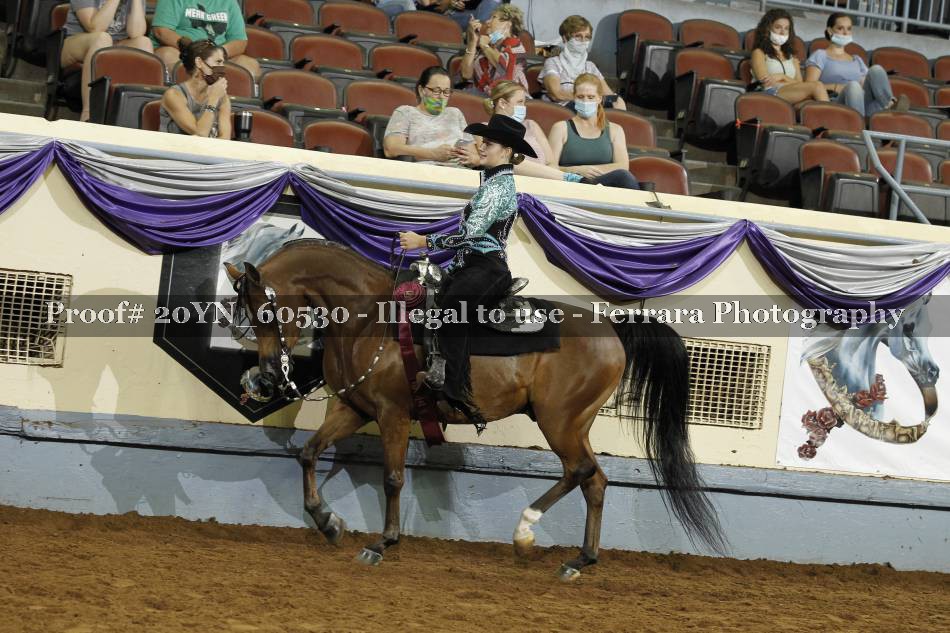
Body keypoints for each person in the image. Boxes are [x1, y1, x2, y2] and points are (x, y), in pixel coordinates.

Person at [397, 114, 536, 429]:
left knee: (452, 310)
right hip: (472, 265)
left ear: (507, 150)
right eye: (483, 141)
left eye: (489, 143)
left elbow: (470, 236)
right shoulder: (492, 181)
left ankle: (453, 390)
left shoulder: (498, 188)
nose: (482, 146)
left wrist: (423, 241)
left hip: (486, 266)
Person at [62, 0, 152, 122]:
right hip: (77, 42)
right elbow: (95, 27)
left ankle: (134, 114)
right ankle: (89, 113)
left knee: (144, 43)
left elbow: (136, 32)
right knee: (102, 39)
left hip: (114, 44)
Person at [804, 13, 909, 116]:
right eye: (840, 28)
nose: (845, 33)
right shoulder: (820, 55)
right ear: (830, 30)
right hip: (837, 103)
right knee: (853, 86)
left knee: (876, 69)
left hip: (863, 103)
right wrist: (836, 87)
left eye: (849, 29)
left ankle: (889, 104)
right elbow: (809, 87)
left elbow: (866, 83)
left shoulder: (857, 59)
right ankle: (858, 122)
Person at [547, 73, 640, 189]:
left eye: (590, 97)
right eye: (580, 97)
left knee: (623, 176)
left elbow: (623, 166)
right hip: (571, 184)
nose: (585, 101)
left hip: (604, 186)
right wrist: (577, 170)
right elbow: (550, 167)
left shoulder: (615, 130)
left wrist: (590, 171)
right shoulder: (561, 128)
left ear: (599, 98)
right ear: (574, 98)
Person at [383, 66, 472, 166]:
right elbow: (391, 149)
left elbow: (474, 154)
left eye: (446, 92)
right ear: (421, 90)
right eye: (436, 91)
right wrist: (433, 154)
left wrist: (472, 159)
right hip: (426, 170)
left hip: (460, 170)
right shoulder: (406, 112)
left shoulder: (455, 113)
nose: (441, 97)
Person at [150, 0, 260, 79]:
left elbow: (240, 41)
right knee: (168, 55)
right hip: (182, 51)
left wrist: (217, 53)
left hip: (218, 55)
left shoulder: (230, 2)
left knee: (250, 65)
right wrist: (193, 48)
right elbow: (161, 31)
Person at [539, 15, 626, 110]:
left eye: (587, 37)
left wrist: (615, 99)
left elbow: (608, 94)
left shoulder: (590, 66)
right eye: (578, 36)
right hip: (562, 110)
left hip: (589, 108)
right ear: (565, 38)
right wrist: (588, 98)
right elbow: (556, 94)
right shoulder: (553, 63)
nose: (583, 41)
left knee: (617, 101)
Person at [750, 9, 828, 106]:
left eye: (786, 28)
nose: (782, 32)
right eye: (778, 27)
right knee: (817, 86)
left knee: (809, 105)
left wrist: (782, 77)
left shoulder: (791, 57)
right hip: (767, 93)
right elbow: (765, 82)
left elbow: (800, 84)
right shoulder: (759, 52)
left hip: (789, 94)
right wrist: (790, 82)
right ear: (767, 29)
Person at [159, 39, 231, 138]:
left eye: (223, 62)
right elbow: (200, 134)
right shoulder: (174, 95)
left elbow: (225, 138)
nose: (222, 67)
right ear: (199, 62)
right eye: (218, 62)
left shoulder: (222, 97)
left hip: (209, 148)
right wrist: (213, 99)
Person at [460, 4, 528, 95]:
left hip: (511, 97)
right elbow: (466, 74)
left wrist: (484, 45)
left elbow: (504, 67)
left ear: (508, 24)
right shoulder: (486, 46)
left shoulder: (516, 47)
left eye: (493, 18)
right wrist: (472, 42)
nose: (487, 22)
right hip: (482, 96)